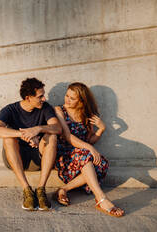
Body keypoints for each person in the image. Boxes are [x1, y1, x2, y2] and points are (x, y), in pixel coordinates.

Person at [53, 82, 124, 217]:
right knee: (86, 155)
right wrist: (90, 148)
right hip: (65, 156)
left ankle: (63, 189)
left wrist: (101, 129)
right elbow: (68, 136)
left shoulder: (87, 114)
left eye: (72, 98)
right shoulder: (59, 110)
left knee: (101, 163)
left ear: (81, 101)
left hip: (83, 155)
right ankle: (101, 199)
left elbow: (89, 140)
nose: (67, 99)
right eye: (67, 95)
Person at [0, 78, 62, 211]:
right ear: (28, 97)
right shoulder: (10, 109)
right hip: (17, 159)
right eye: (40, 96)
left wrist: (38, 129)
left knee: (51, 136)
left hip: (38, 158)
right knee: (8, 138)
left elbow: (58, 128)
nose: (44, 98)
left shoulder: (45, 108)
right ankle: (27, 190)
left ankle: (41, 190)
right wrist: (24, 135)